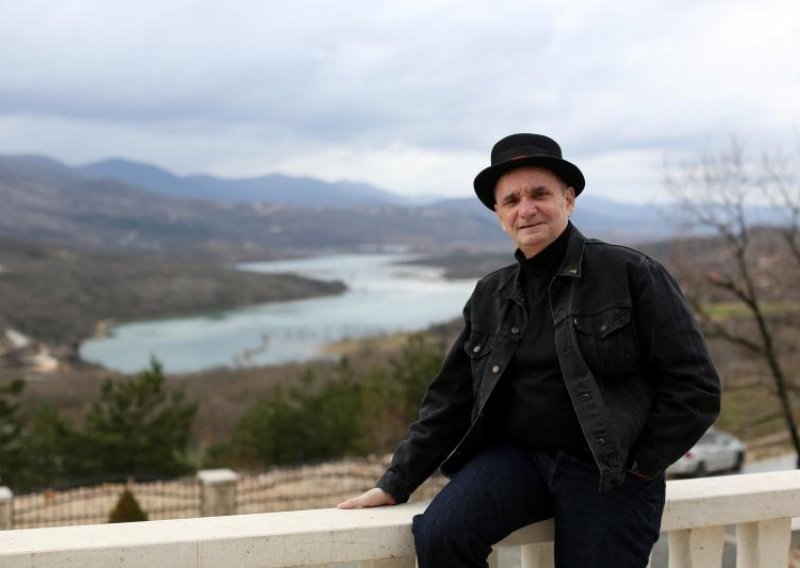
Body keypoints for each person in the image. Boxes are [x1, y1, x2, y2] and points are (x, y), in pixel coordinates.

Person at [338, 133, 721, 567]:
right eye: (511, 200)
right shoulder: (491, 295)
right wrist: (395, 482)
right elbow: (450, 401)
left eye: (540, 194)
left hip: (609, 472)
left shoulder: (631, 273)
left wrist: (640, 465)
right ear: (499, 215)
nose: (526, 209)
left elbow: (696, 386)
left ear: (568, 200)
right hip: (516, 461)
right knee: (441, 535)